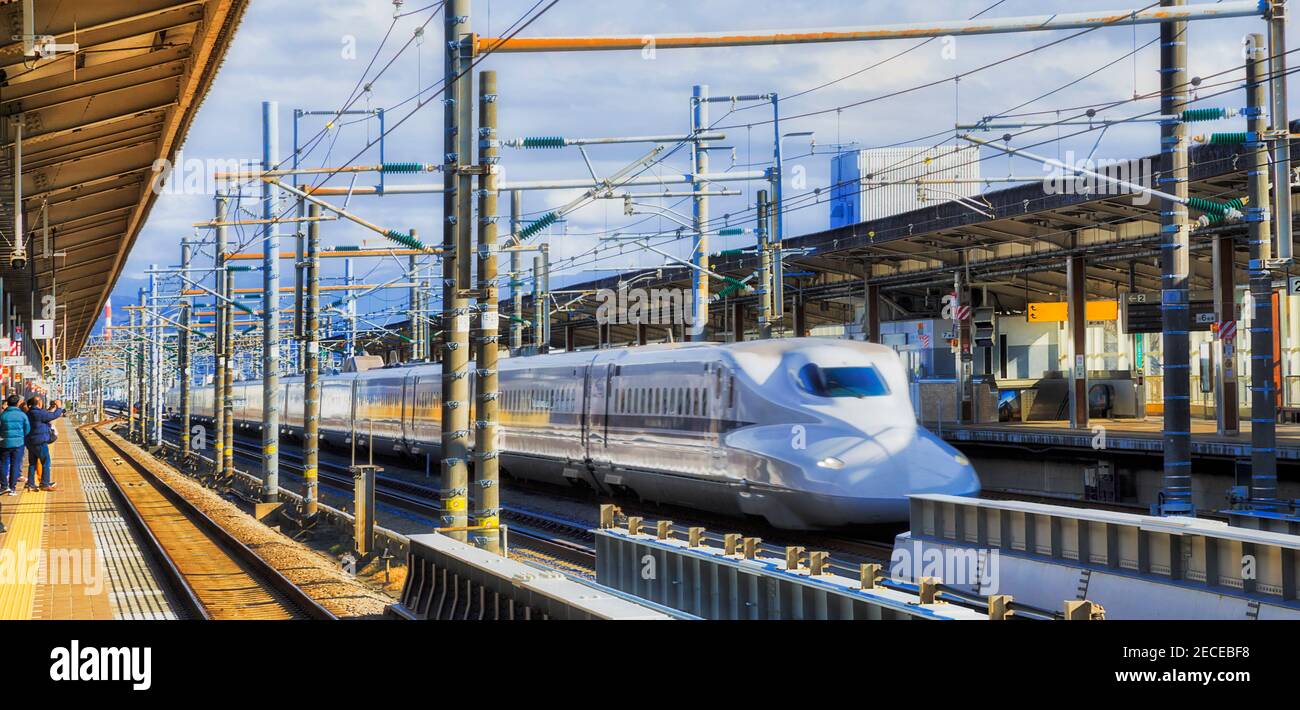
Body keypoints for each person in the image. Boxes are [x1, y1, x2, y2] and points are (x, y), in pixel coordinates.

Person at [24, 396, 63, 492]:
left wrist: (50, 408)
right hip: (40, 441)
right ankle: (45, 484)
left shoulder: (29, 412)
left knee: (32, 463)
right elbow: (54, 415)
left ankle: (30, 484)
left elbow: (45, 414)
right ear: (39, 403)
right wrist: (59, 407)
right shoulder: (39, 413)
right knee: (46, 462)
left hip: (30, 441)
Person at [0, 395, 29, 495]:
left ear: (7, 403)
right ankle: (12, 488)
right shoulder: (22, 415)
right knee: (15, 465)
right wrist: (21, 436)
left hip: (4, 443)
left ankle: (4, 486)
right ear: (18, 404)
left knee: (3, 464)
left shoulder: (3, 415)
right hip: (19, 443)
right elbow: (27, 429)